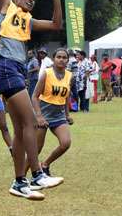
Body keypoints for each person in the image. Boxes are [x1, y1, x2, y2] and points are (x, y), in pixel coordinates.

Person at [0, 0, 64, 200]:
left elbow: (56, 25)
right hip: (6, 66)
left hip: (15, 69)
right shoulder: (6, 7)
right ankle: (37, 173)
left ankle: (19, 182)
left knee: (21, 129)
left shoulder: (29, 21)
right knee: (31, 121)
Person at [31, 48, 73, 179]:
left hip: (59, 115)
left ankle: (45, 165)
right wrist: (38, 116)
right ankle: (21, 178)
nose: (61, 59)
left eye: (64, 57)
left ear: (67, 60)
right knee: (36, 149)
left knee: (65, 143)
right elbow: (34, 96)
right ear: (54, 59)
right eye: (58, 57)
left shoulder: (69, 75)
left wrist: (67, 114)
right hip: (43, 114)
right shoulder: (46, 74)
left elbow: (66, 97)